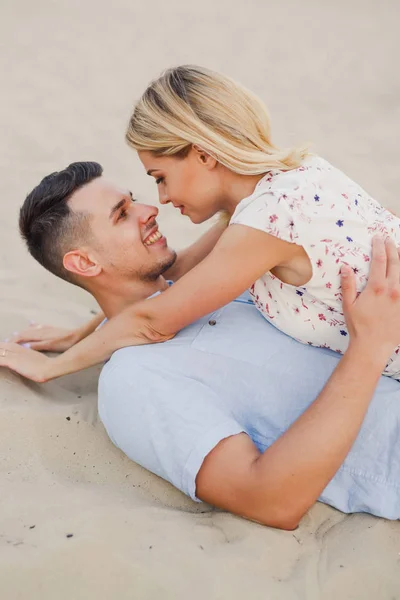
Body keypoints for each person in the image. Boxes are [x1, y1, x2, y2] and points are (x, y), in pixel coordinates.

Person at [1, 162, 400, 529]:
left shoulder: (220, 278)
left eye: (134, 199)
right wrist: (369, 349)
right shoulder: (136, 379)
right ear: (85, 264)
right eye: (122, 214)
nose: (150, 210)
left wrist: (81, 333)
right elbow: (270, 501)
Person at [8, 65, 400, 381]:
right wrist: (82, 333)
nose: (160, 199)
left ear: (203, 155)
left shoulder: (266, 223)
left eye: (160, 177)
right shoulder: (292, 180)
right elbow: (178, 272)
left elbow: (152, 322)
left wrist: (52, 368)